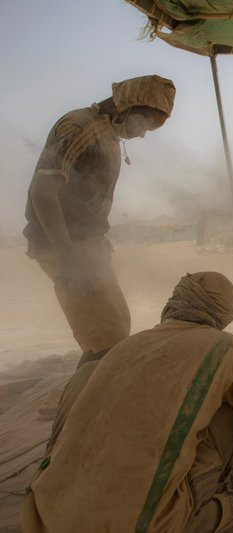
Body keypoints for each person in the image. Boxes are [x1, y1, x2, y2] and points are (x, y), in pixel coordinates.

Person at [22, 272, 233, 532]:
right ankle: (196, 516)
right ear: (224, 319)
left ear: (169, 307)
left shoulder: (122, 348)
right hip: (140, 525)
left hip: (42, 517)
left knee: (88, 376)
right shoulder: (228, 347)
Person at [23, 75, 176, 367]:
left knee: (115, 325)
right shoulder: (80, 127)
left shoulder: (106, 132)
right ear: (129, 106)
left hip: (87, 244)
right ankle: (81, 407)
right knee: (104, 341)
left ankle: (92, 398)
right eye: (144, 125)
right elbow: (44, 191)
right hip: (65, 245)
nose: (143, 135)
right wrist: (68, 258)